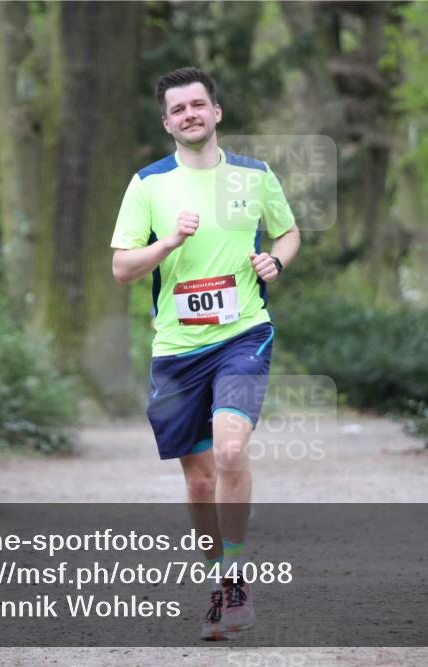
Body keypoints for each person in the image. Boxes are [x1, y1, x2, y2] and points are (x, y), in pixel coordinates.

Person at [111, 67, 300, 640]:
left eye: (199, 104)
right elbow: (121, 267)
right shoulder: (148, 185)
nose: (190, 114)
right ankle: (219, 580)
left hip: (243, 333)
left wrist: (277, 261)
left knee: (231, 448)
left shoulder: (255, 175)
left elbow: (287, 233)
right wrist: (166, 243)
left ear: (216, 112)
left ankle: (237, 579)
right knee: (198, 484)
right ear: (166, 122)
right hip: (176, 349)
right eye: (179, 109)